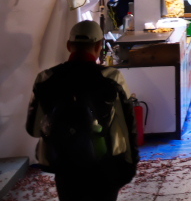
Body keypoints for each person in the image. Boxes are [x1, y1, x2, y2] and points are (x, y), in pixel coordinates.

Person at [26, 20, 139, 201]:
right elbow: (127, 123)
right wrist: (131, 163)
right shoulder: (112, 77)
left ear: (69, 45)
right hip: (104, 164)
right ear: (99, 46)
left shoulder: (45, 78)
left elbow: (33, 129)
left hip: (65, 165)